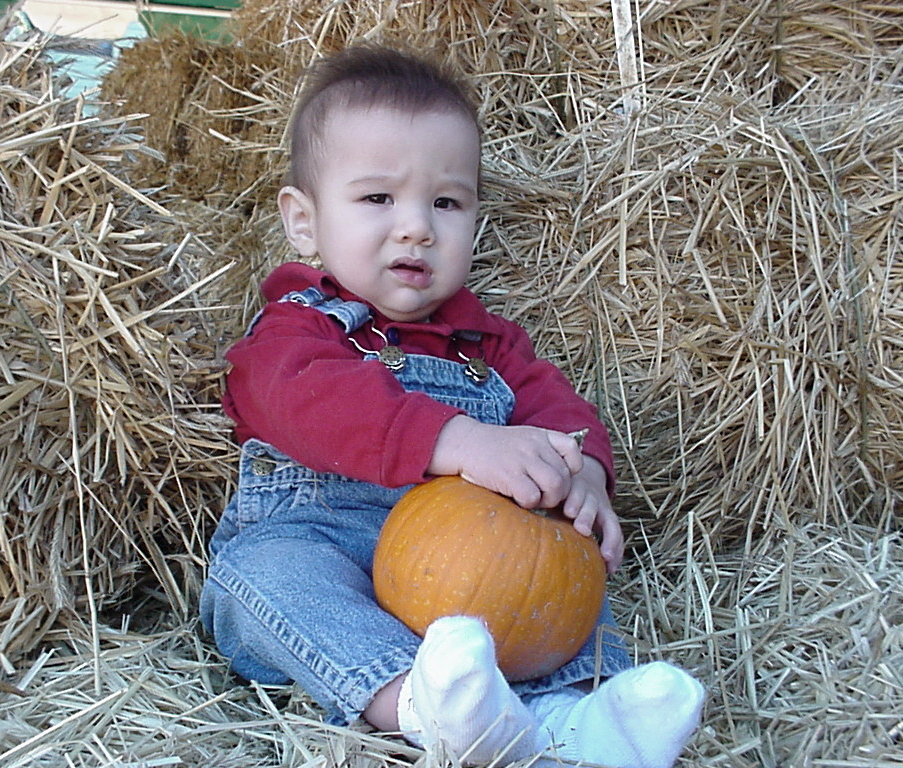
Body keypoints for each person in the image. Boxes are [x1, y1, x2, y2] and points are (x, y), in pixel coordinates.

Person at [200, 44, 704, 767]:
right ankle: (420, 707)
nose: (417, 226)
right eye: (378, 199)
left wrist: (585, 475)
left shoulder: (487, 343)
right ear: (304, 221)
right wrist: (459, 440)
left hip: (468, 567)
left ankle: (580, 720)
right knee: (263, 579)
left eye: (446, 202)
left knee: (567, 573)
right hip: (324, 542)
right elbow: (305, 399)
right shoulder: (295, 330)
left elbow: (560, 410)